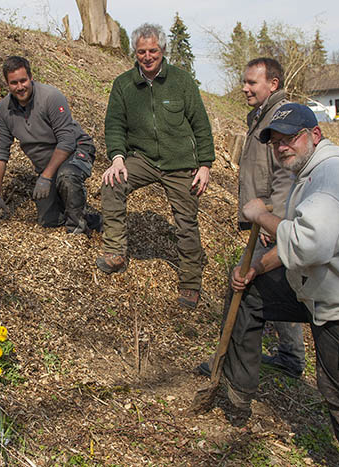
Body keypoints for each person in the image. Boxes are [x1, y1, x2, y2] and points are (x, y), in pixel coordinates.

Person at [223, 103, 339, 466]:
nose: (282, 147)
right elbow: (300, 244)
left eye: (291, 137)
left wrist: (260, 214)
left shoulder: (331, 177)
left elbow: (310, 244)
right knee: (248, 292)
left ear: (315, 136)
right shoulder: (310, 176)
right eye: (276, 142)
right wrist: (258, 266)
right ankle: (237, 391)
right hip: (324, 291)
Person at [96, 23, 215, 309]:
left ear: (162, 50)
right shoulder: (123, 85)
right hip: (144, 159)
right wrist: (117, 158)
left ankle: (189, 282)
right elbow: (114, 125)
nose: (147, 56)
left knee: (186, 222)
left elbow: (200, 123)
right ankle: (115, 252)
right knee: (112, 183)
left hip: (180, 163)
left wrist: (205, 165)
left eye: (153, 51)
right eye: (141, 52)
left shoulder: (182, 81)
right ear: (134, 53)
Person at [200, 58, 305, 378]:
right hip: (263, 217)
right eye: (244, 82)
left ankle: (227, 359)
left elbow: (288, 176)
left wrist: (273, 222)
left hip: (271, 218)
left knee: (244, 286)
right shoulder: (260, 115)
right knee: (273, 284)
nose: (244, 88)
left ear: (273, 84)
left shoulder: (280, 118)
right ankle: (291, 355)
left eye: (252, 83)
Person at [0, 56, 100, 234]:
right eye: (14, 83)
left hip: (76, 149)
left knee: (67, 177)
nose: (20, 87)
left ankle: (77, 232)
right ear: (7, 84)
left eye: (23, 80)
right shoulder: (3, 111)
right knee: (48, 220)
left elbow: (67, 141)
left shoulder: (51, 97)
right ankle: (92, 219)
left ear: (31, 77)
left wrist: (46, 177)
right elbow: (0, 154)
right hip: (47, 164)